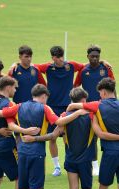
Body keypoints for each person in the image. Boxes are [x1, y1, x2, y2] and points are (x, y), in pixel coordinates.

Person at [0, 84, 88, 189]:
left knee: (25, 185)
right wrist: (77, 113)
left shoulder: (19, 106)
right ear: (44, 96)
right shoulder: (45, 108)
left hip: (21, 151)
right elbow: (58, 122)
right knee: (35, 187)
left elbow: (0, 114)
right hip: (37, 152)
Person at [58, 87, 119, 189]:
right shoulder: (91, 116)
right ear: (83, 101)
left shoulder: (64, 115)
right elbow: (100, 132)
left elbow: (58, 130)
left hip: (70, 159)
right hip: (86, 160)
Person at [36, 46, 85, 177]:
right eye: (57, 58)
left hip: (67, 107)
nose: (60, 60)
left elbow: (84, 66)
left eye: (62, 57)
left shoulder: (71, 65)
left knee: (67, 137)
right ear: (53, 58)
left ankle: (69, 162)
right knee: (52, 137)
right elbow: (33, 67)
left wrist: (103, 62)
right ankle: (57, 167)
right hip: (52, 107)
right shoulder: (47, 67)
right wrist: (15, 64)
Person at [74, 44, 115, 176]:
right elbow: (76, 86)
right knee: (92, 138)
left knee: (108, 135)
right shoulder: (83, 71)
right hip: (90, 109)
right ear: (88, 57)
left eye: (97, 57)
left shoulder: (106, 68)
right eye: (92, 56)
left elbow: (113, 86)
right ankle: (95, 165)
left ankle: (109, 164)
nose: (95, 59)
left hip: (105, 107)